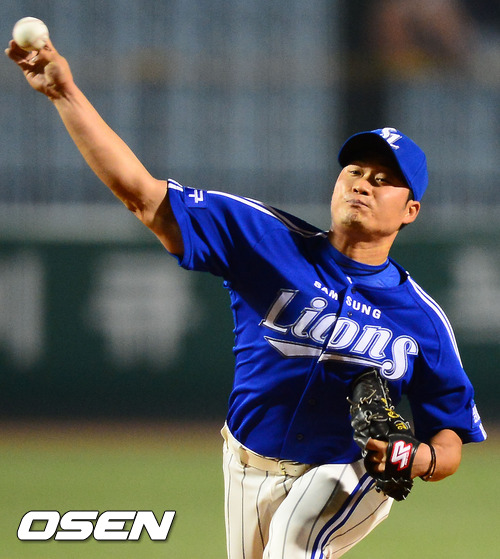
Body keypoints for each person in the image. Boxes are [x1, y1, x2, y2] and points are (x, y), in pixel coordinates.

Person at [6, 39, 486, 559]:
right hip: (246, 462)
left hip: (348, 472)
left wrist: (416, 459)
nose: (362, 185)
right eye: (354, 172)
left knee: (290, 549)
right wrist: (64, 93)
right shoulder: (265, 240)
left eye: (383, 180)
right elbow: (142, 195)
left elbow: (450, 436)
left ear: (410, 210)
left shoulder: (423, 320)